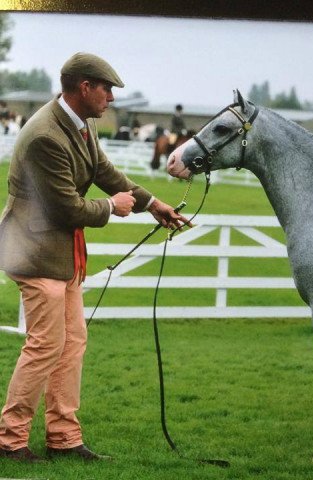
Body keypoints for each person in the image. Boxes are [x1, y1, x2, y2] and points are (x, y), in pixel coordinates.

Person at [0, 52, 187, 463]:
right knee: (46, 344)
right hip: (34, 253)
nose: (112, 98)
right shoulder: (47, 134)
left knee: (72, 344)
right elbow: (66, 208)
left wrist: (151, 202)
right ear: (85, 87)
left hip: (60, 253)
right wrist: (112, 208)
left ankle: (64, 439)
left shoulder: (78, 123)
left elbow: (104, 170)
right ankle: (10, 440)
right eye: (107, 89)